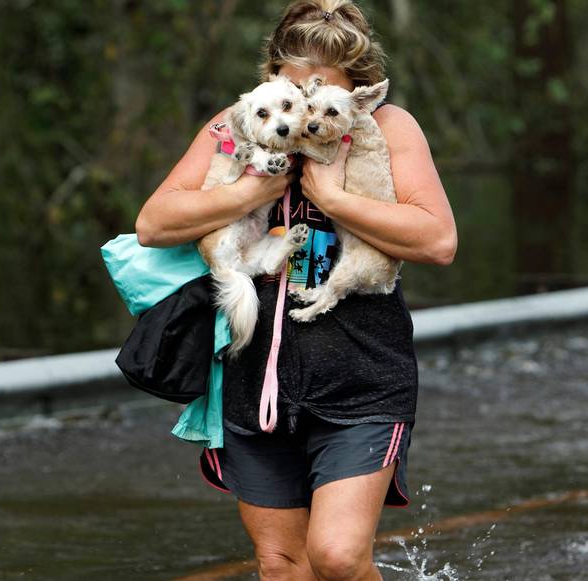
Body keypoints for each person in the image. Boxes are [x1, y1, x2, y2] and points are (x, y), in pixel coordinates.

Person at [135, 1, 457, 580]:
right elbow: (154, 224)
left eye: (320, 91)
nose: (304, 109)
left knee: (336, 556)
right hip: (254, 380)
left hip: (360, 373)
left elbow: (437, 240)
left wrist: (334, 200)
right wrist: (249, 193)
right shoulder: (240, 123)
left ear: (357, 88)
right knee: (283, 564)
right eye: (294, 87)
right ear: (271, 77)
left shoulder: (388, 127)